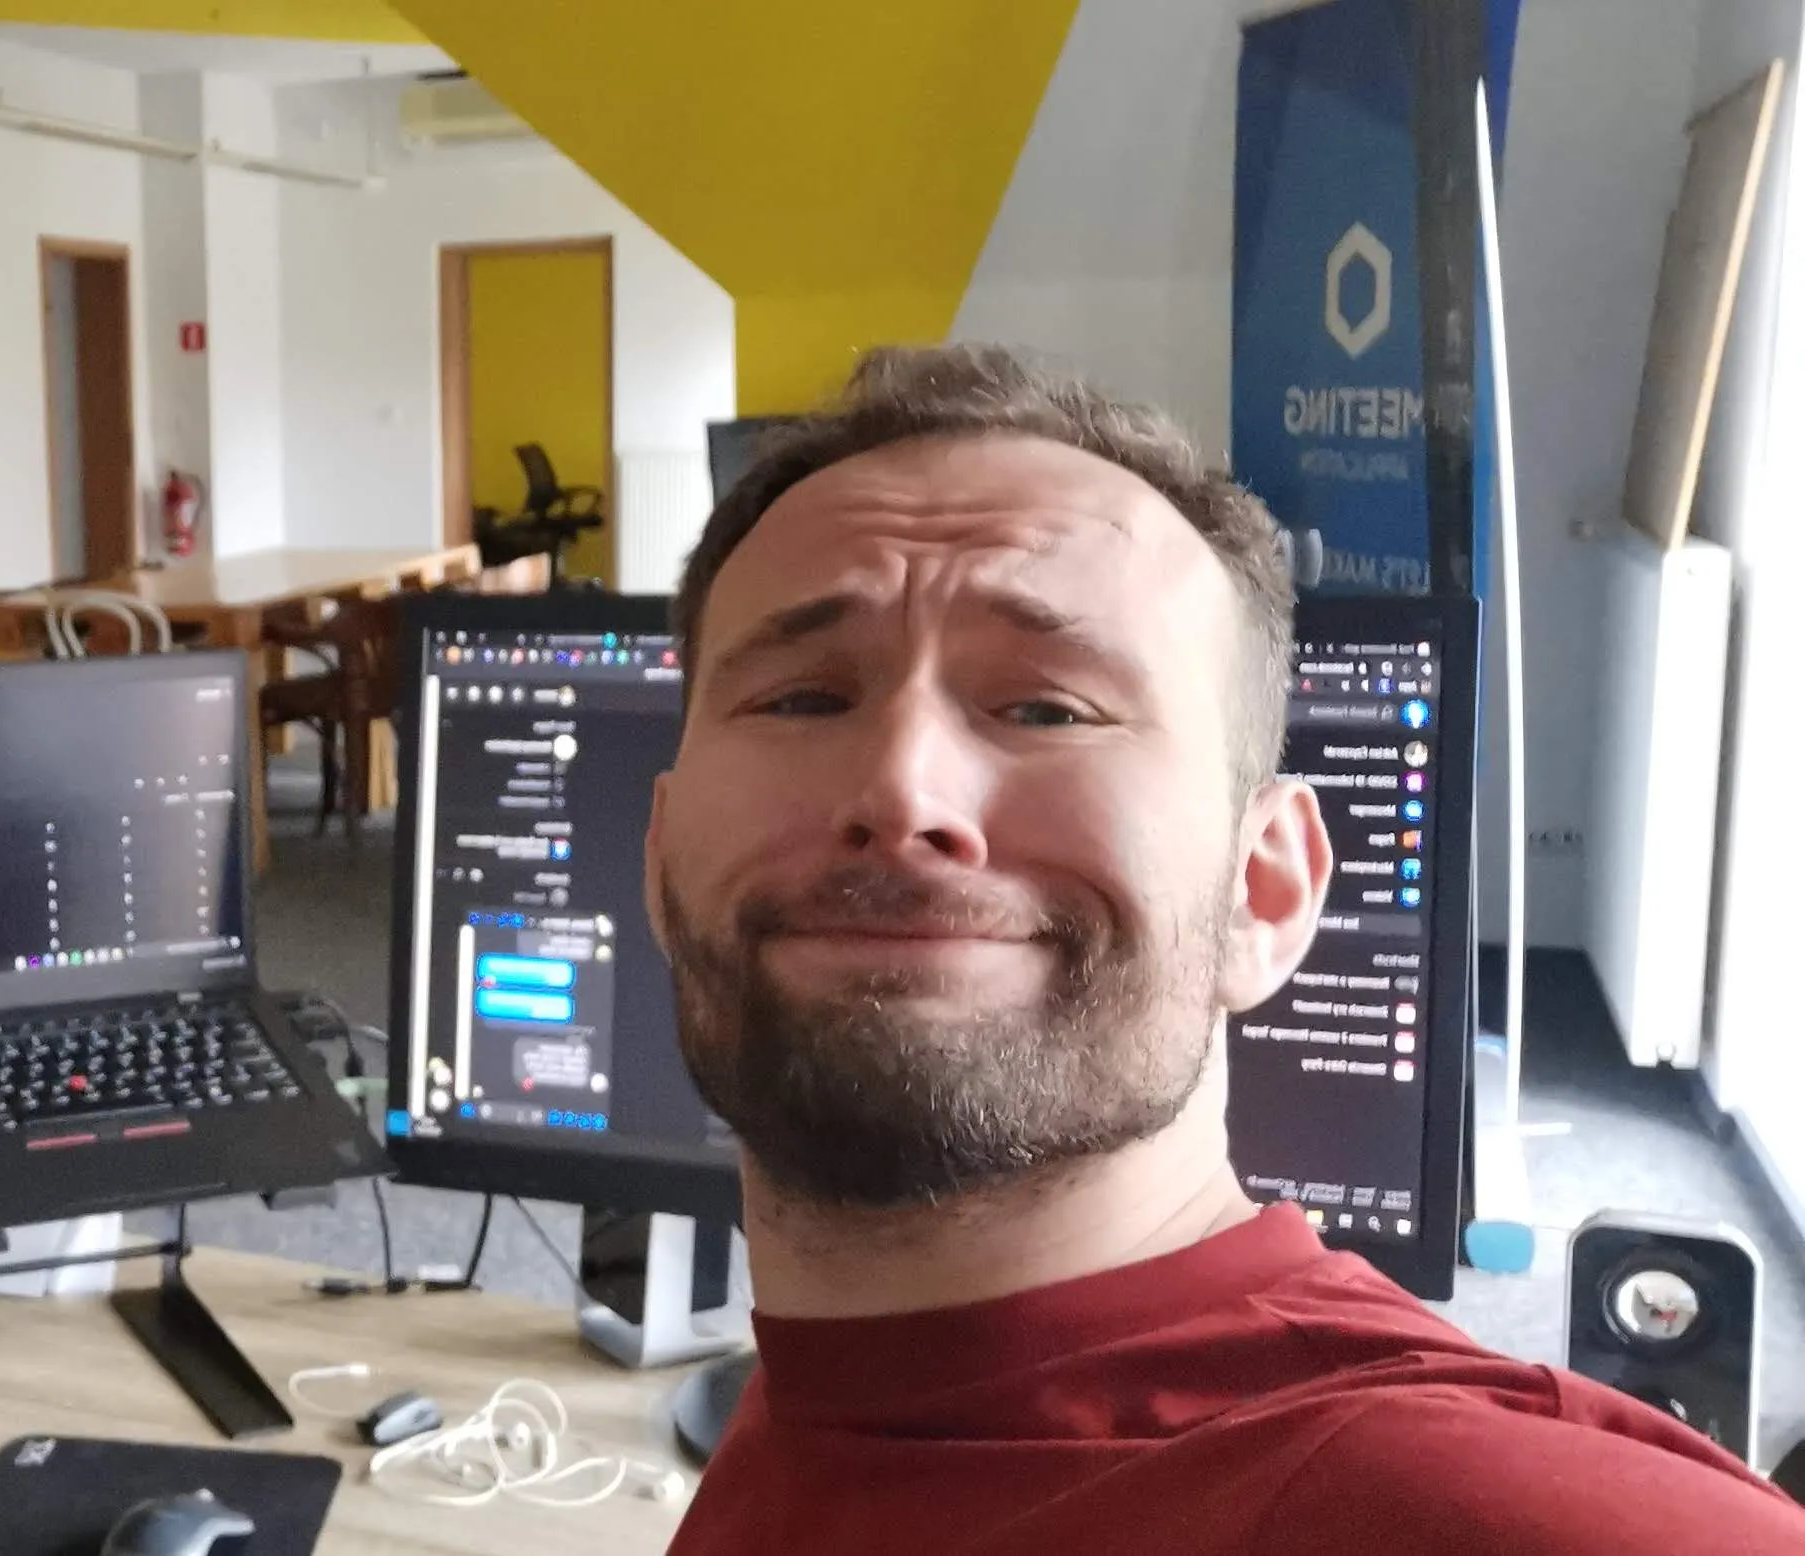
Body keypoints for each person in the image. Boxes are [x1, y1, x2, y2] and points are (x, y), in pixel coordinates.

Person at [647, 344, 1805, 1552]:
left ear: (1268, 886)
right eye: (800, 697)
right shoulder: (832, 1398)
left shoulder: (1499, 1515)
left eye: (1047, 706)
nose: (901, 788)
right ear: (661, 854)